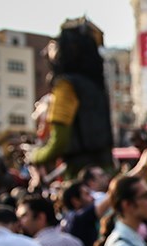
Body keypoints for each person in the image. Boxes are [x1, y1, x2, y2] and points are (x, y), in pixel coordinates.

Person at [29, 18, 113, 180]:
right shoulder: (95, 86)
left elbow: (59, 141)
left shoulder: (66, 85)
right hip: (105, 172)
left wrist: (36, 155)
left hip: (81, 177)